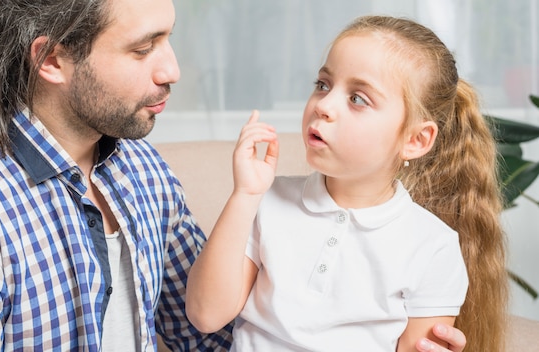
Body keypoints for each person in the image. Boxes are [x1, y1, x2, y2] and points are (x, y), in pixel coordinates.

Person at [0, 0, 469, 350]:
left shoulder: (139, 168)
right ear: (53, 60)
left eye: (168, 37)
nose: (173, 68)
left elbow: (207, 328)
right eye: (143, 48)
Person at [186, 15, 508, 352]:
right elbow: (205, 315)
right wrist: (245, 195)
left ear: (415, 140)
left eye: (358, 99)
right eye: (323, 84)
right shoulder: (267, 201)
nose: (323, 106)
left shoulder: (433, 247)